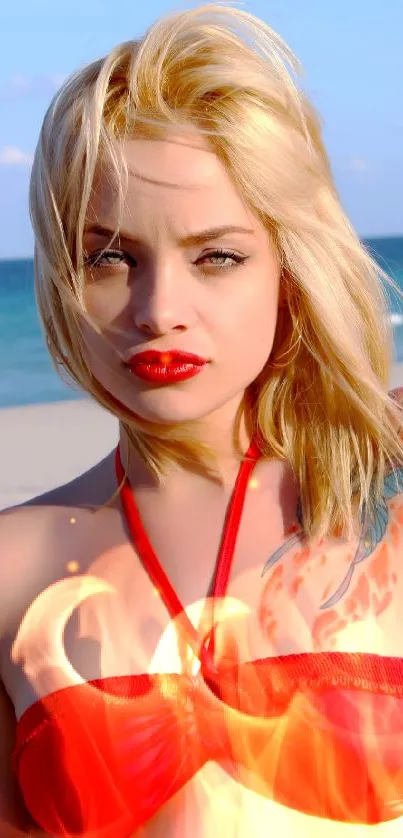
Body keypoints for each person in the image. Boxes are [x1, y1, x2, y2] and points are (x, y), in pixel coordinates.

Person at [1, 3, 403, 835]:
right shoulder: (11, 566)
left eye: (216, 255)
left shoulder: (388, 487)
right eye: (108, 256)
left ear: (290, 268)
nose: (157, 310)